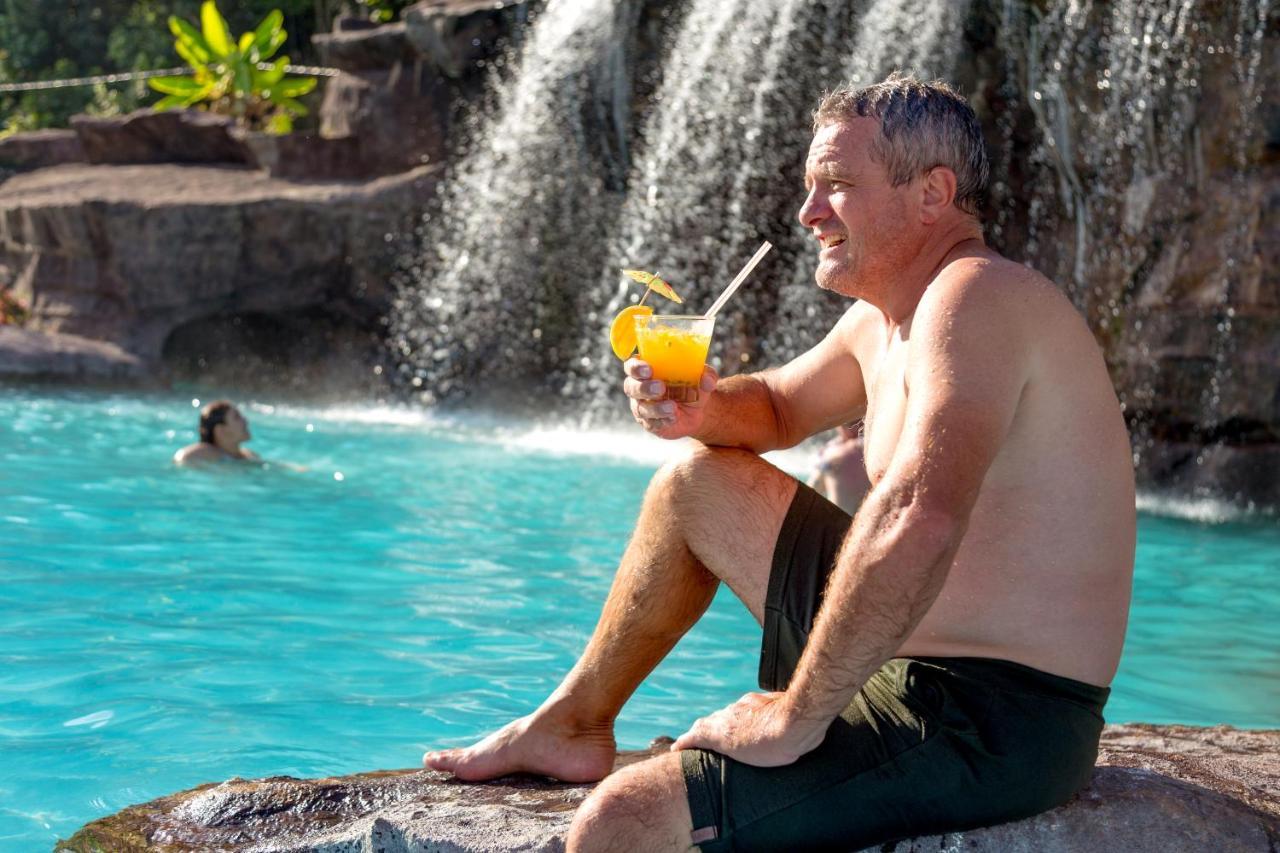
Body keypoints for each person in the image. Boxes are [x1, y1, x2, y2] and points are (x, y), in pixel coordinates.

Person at [424, 72, 1136, 852]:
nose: (809, 213)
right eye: (809, 187)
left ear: (933, 193)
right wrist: (701, 404)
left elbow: (916, 515)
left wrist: (795, 714)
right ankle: (573, 722)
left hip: (991, 715)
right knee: (698, 484)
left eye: (836, 185)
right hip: (905, 643)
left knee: (620, 822)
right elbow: (777, 407)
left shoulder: (977, 298)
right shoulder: (885, 318)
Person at [806, 422, 871, 515]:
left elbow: (812, 491)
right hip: (872, 521)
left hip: (839, 521)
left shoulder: (832, 453)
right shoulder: (876, 447)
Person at [172, 400, 261, 466]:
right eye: (237, 417)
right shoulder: (199, 453)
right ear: (220, 430)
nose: (245, 421)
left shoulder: (250, 455)